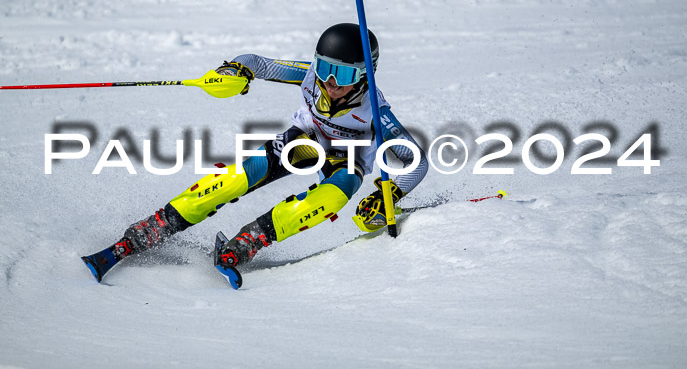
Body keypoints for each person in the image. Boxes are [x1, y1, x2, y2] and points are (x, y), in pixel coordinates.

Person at [82, 23, 428, 285]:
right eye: (324, 68)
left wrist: (391, 193)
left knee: (328, 201)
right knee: (233, 179)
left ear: (366, 74)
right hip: (304, 140)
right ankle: (149, 230)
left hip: (346, 159)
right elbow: (258, 63)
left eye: (344, 74)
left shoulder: (377, 114)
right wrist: (235, 70)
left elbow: (416, 161)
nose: (330, 82)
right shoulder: (309, 76)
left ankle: (248, 242)